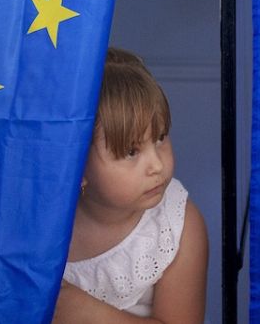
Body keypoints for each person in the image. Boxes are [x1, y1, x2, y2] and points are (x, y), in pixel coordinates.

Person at [53, 47, 208, 323]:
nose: (157, 165)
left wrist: (80, 310)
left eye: (160, 138)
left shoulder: (176, 226)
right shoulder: (40, 226)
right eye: (131, 152)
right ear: (76, 164)